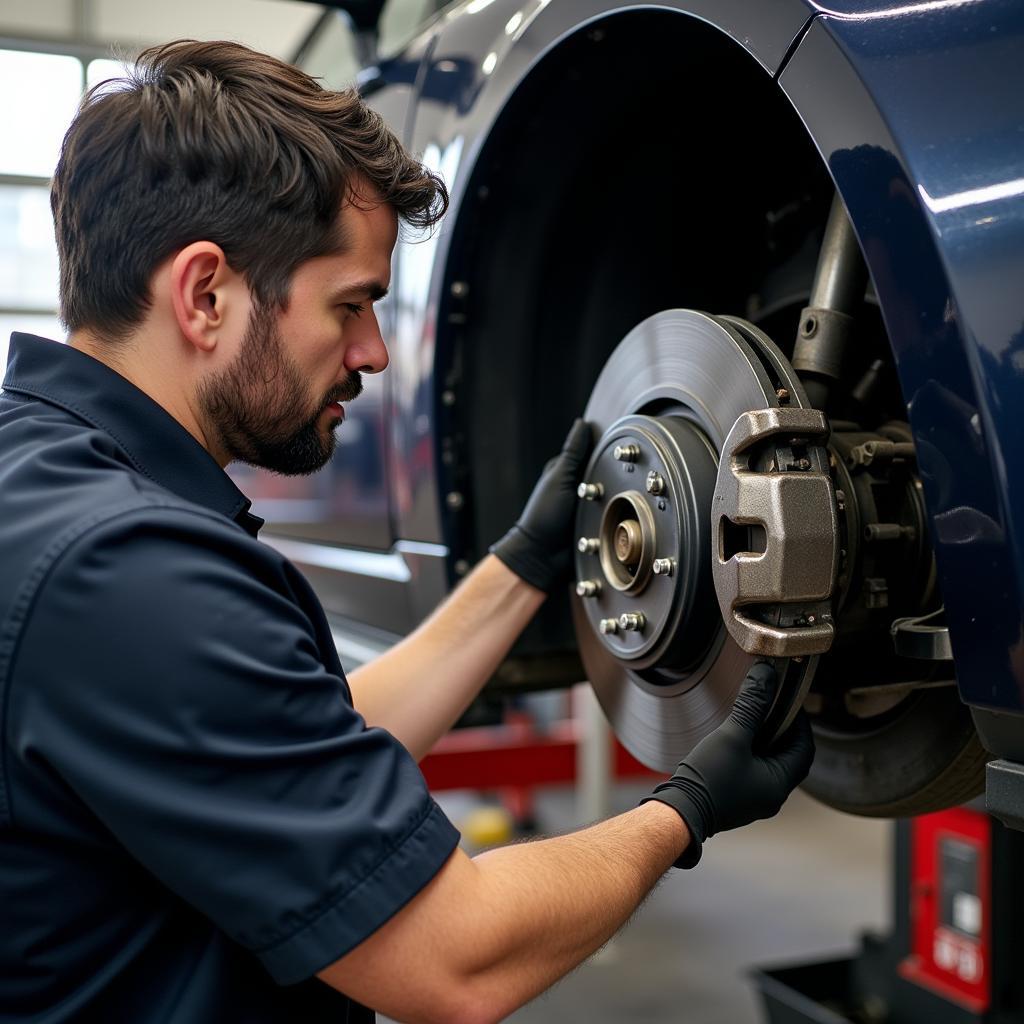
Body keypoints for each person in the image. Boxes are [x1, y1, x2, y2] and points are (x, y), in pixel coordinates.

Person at [0, 40, 813, 1024]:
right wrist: (685, 808)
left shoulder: (45, 483)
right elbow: (453, 958)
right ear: (204, 293)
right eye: (350, 305)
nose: (375, 354)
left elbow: (292, 742)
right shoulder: (127, 572)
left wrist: (522, 562)